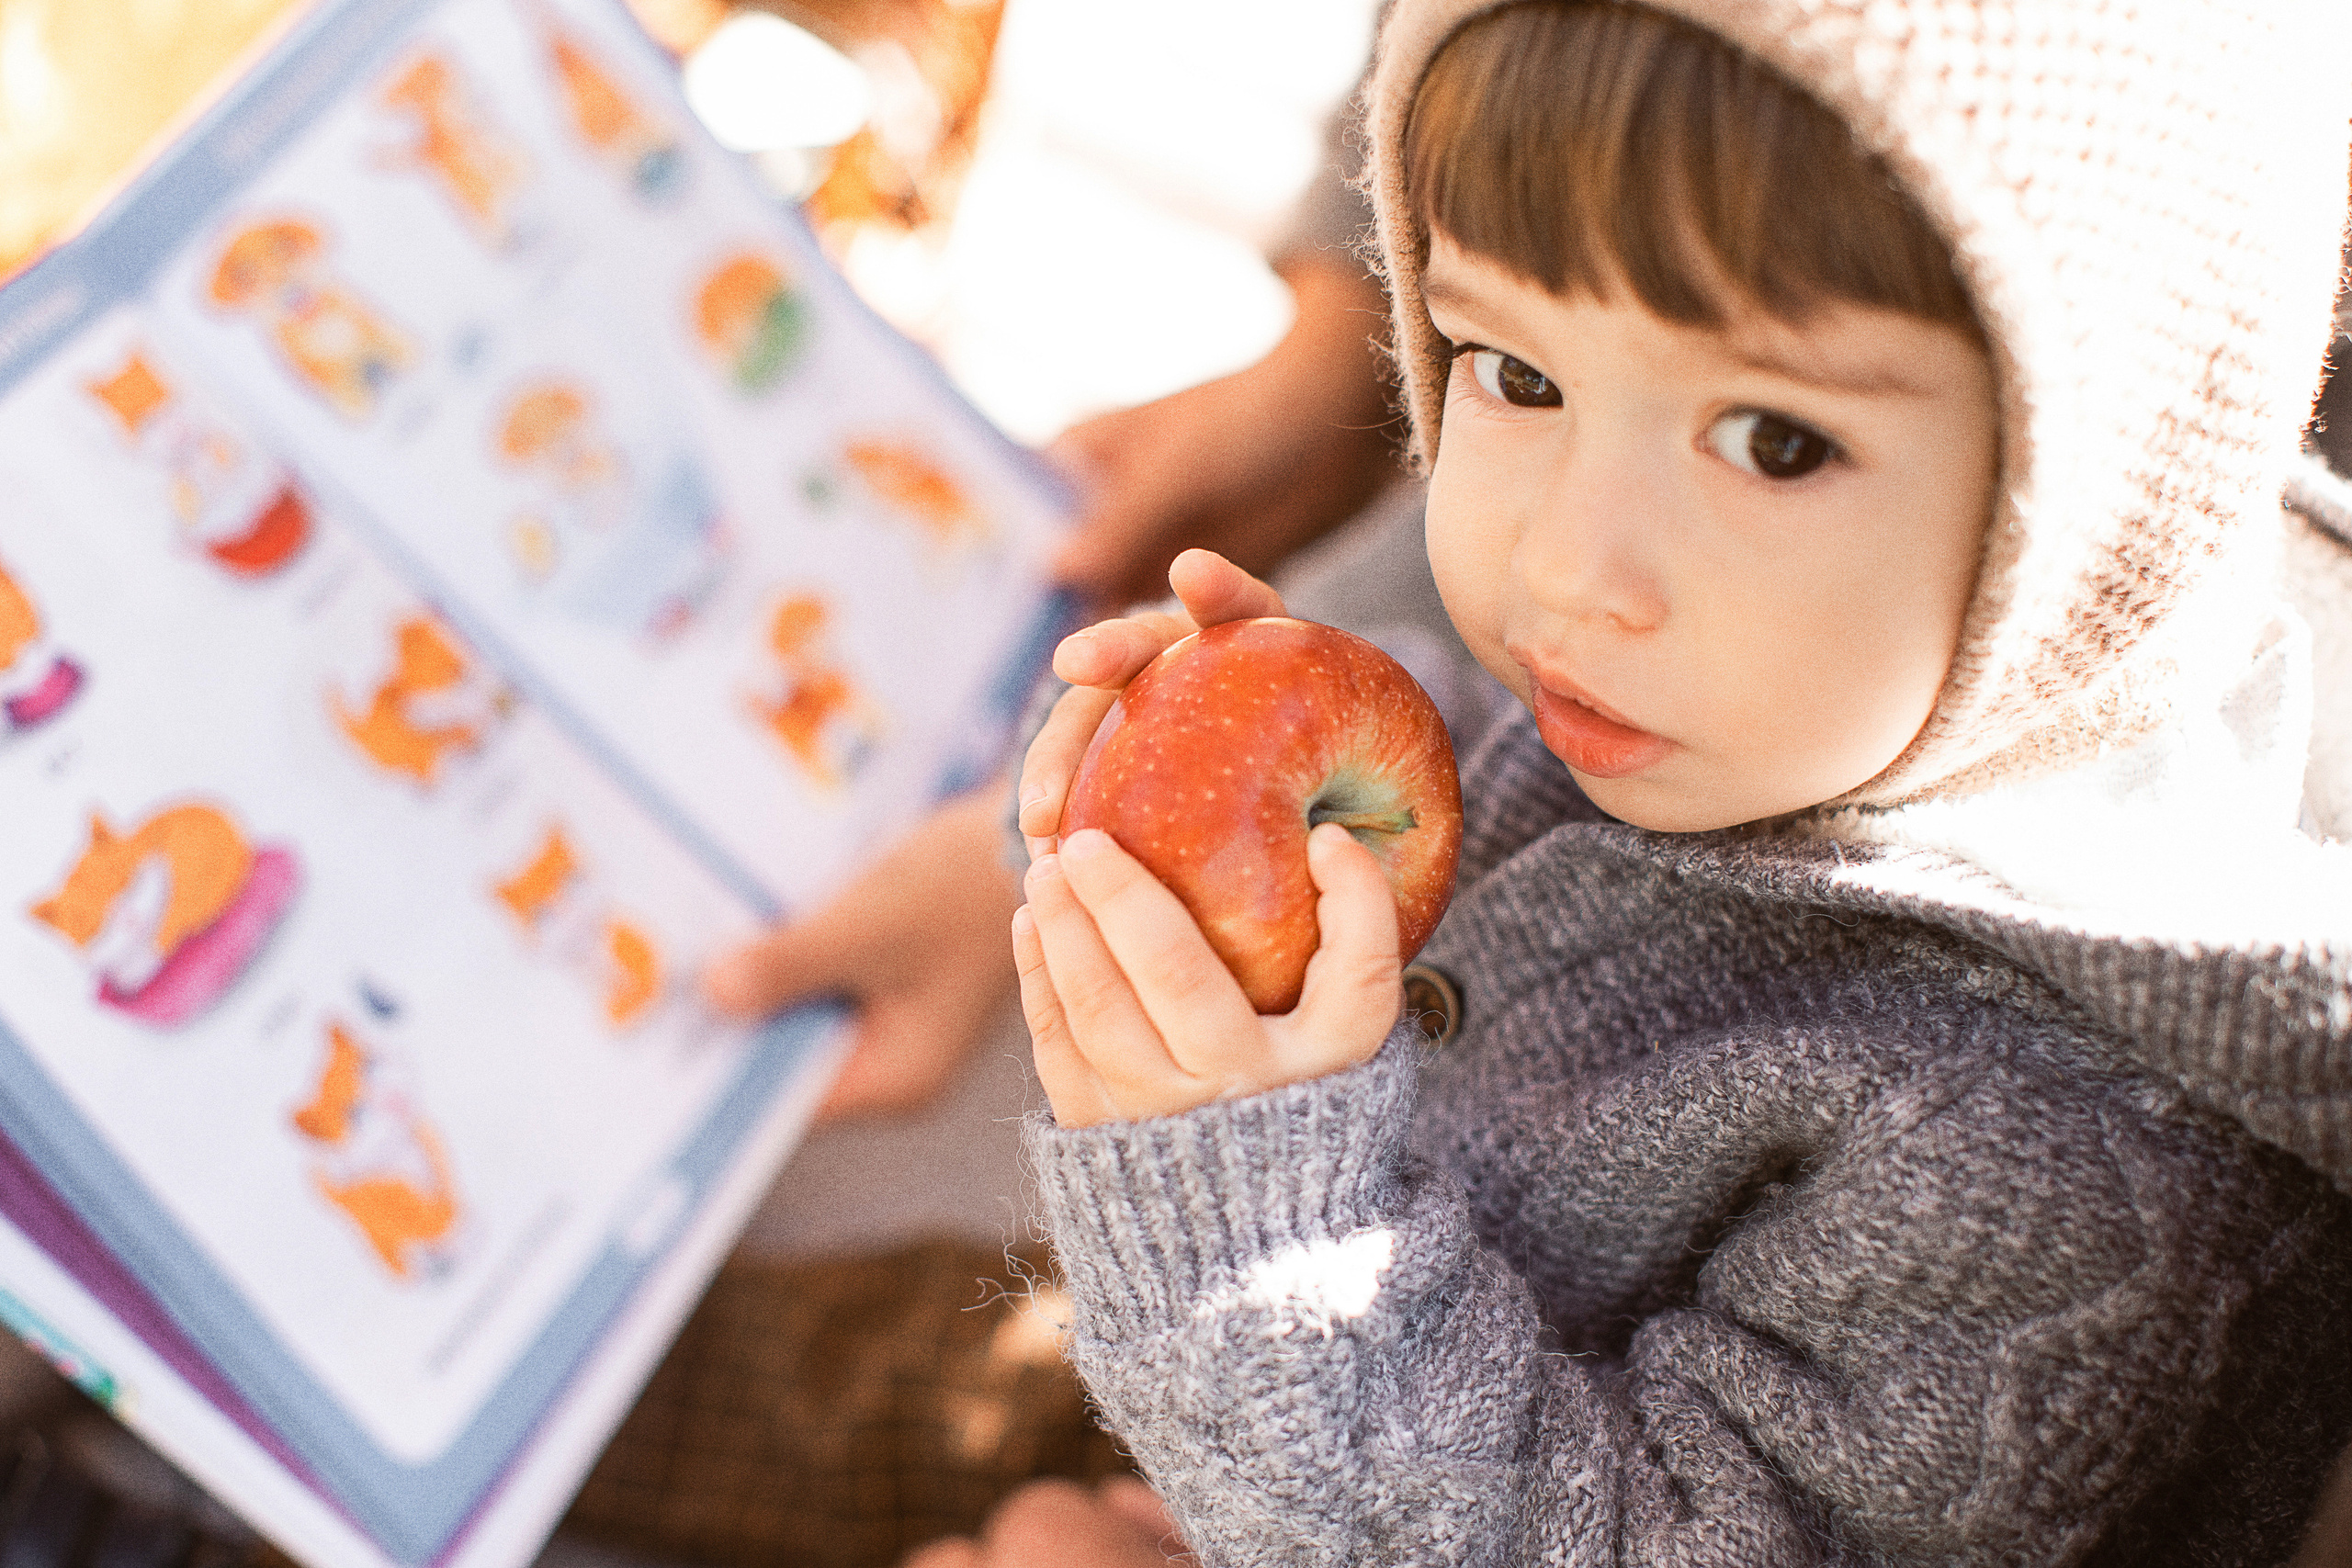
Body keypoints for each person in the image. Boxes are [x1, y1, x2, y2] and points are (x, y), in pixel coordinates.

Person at [1007, 0, 2352, 1561]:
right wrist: (1140, 849)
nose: (1568, 570)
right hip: (1238, 1392)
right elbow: (1484, 818)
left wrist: (1243, 1219)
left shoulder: (2057, 1156)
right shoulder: (1731, 702)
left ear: (2089, 523)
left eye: (1773, 442)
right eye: (1513, 371)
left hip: (1298, 1392)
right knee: (717, 1360)